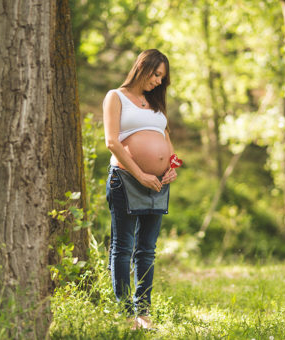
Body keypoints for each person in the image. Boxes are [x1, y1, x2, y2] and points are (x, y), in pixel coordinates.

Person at [102, 49, 177, 329]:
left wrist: (172, 165)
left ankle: (143, 313)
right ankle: (124, 315)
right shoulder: (116, 97)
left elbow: (167, 139)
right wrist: (141, 174)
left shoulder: (154, 104)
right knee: (123, 247)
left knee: (147, 249)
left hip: (157, 183)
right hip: (126, 178)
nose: (159, 81)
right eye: (156, 74)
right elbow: (112, 142)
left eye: (162, 78)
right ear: (142, 67)